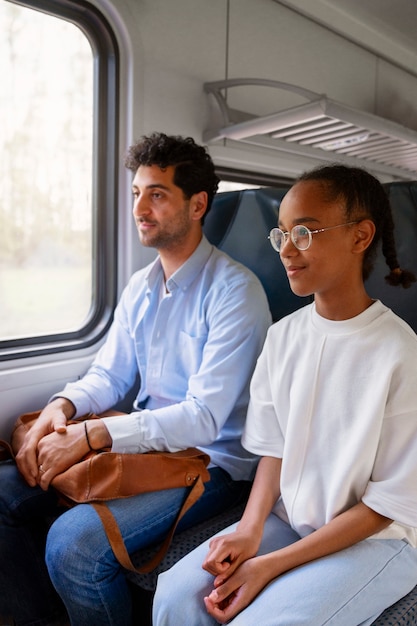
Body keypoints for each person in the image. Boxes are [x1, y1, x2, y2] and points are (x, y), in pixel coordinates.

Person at [0, 133, 271, 626]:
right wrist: (61, 409)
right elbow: (108, 374)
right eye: (136, 193)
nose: (140, 208)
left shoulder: (235, 292)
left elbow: (204, 418)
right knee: (3, 488)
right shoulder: (140, 287)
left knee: (73, 545)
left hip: (215, 465)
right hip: (150, 446)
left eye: (157, 194)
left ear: (198, 205)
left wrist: (93, 434)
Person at [153, 164, 417, 626]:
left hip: (379, 538)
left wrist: (270, 565)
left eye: (305, 233)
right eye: (281, 235)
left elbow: (388, 505)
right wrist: (250, 532)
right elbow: (274, 449)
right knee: (177, 595)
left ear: (360, 237)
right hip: (289, 518)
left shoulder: (399, 352)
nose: (287, 250)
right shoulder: (282, 337)